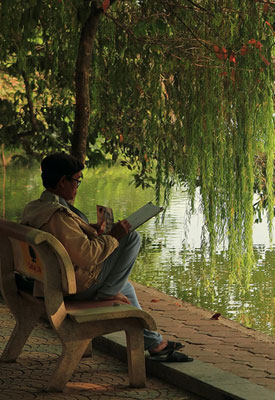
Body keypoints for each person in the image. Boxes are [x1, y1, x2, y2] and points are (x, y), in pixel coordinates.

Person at [21, 152, 192, 362]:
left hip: (48, 281)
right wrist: (114, 237)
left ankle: (156, 344)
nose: (77, 186)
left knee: (125, 287)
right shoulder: (57, 215)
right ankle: (107, 294)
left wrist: (89, 230)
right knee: (132, 238)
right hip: (68, 288)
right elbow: (86, 256)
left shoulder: (36, 207)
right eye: (76, 181)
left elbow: (68, 239)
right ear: (62, 181)